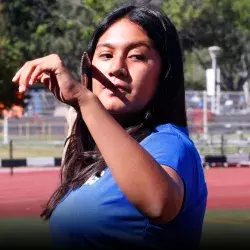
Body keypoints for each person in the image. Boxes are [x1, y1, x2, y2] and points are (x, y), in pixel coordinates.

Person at [12, 4, 207, 249]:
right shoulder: (101, 147)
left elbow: (159, 203)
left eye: (136, 56)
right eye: (106, 55)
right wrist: (80, 112)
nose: (116, 69)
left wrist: (85, 100)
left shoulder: (169, 143)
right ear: (89, 68)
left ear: (165, 72)